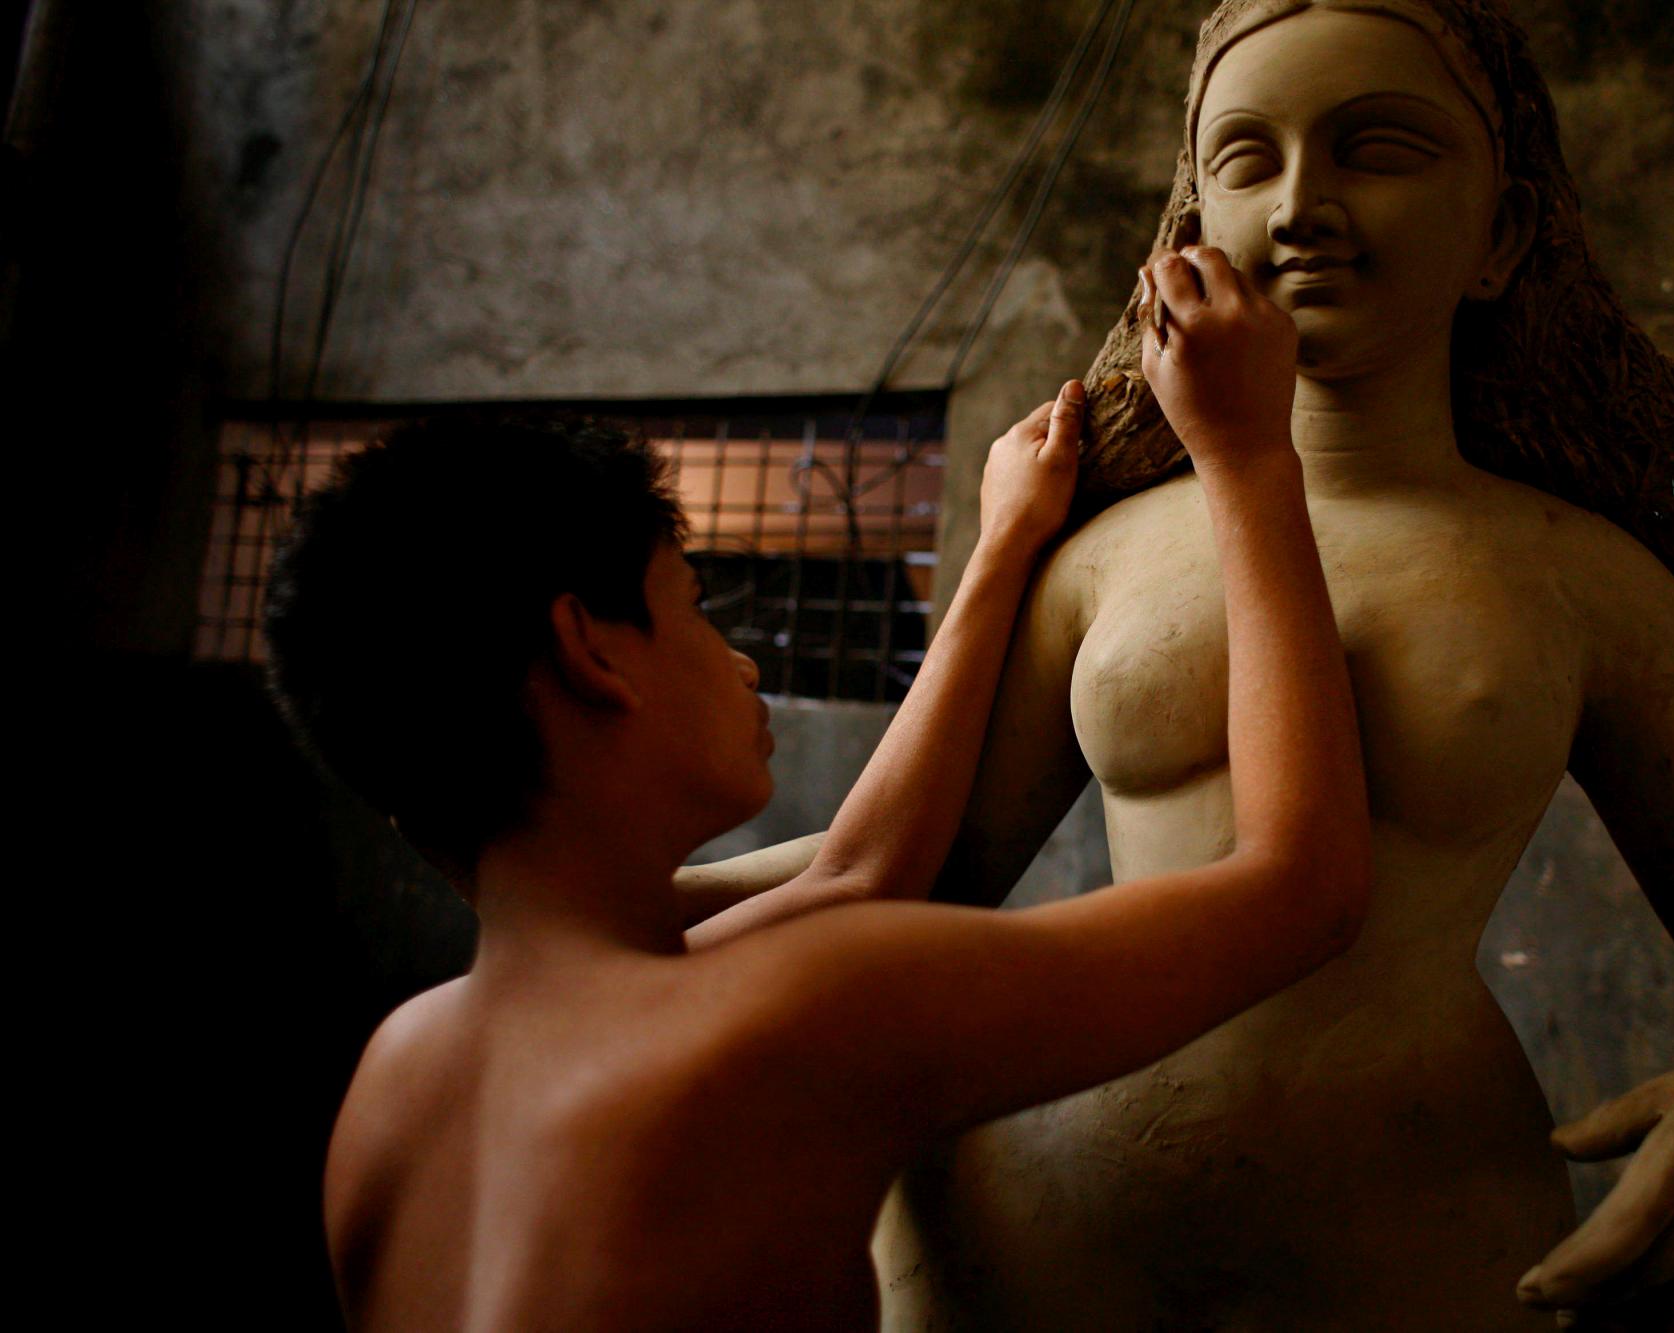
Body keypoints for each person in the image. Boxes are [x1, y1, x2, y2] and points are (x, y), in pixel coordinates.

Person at [694, 3, 1674, 1329]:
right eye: (1245, 158)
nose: (1302, 206)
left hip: (1407, 1252)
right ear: (1187, 231)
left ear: (1502, 233)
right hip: (1017, 1242)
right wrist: (576, 906)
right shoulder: (1096, 556)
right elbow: (894, 874)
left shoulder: (1583, 580)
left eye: (1378, 148)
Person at [263, 268, 1370, 1331]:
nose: (738, 662)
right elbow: (1301, 888)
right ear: (589, 650)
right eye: (693, 607)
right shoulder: (790, 1018)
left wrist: (997, 552)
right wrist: (1247, 454)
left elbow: (859, 870)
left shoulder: (397, 1078)